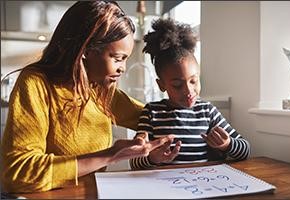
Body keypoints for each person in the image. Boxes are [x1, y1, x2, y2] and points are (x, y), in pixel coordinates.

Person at [0, 1, 177, 193]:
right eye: (118, 58)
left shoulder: (100, 88)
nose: (123, 68)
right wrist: (110, 155)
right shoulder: (35, 83)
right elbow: (18, 173)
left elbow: (155, 119)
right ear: (86, 50)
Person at [129, 18, 251, 169]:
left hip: (202, 186)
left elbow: (245, 150)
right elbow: (134, 161)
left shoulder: (207, 111)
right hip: (163, 187)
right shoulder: (151, 112)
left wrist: (227, 145)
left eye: (193, 81)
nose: (188, 91)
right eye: (177, 85)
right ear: (161, 85)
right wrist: (152, 158)